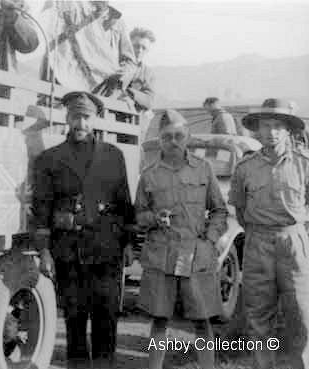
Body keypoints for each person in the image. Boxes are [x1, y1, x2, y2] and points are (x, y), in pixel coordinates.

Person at [31, 91, 134, 367]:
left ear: (95, 120)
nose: (81, 123)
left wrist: (127, 244)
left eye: (86, 117)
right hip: (69, 251)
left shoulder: (113, 155)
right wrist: (44, 252)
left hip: (107, 250)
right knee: (75, 320)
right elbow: (41, 209)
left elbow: (124, 202)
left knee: (106, 318)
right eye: (75, 117)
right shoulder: (49, 159)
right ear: (67, 117)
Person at [135, 109, 228, 369]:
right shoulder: (149, 174)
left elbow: (220, 210)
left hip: (195, 253)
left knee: (202, 319)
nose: (173, 141)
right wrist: (154, 218)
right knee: (160, 318)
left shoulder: (203, 169)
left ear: (187, 137)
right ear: (160, 141)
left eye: (178, 135)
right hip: (162, 253)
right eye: (167, 137)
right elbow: (139, 215)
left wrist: (209, 241)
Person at [229, 98, 309, 369]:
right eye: (266, 126)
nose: (271, 132)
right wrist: (259, 232)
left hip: (294, 242)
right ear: (257, 131)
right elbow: (240, 209)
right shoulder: (245, 167)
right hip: (258, 243)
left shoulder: (304, 164)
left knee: (301, 313)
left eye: (278, 126)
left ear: (288, 130)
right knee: (258, 315)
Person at [126, 27, 156, 113]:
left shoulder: (148, 73)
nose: (139, 50)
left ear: (147, 50)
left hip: (132, 116)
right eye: (136, 46)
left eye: (144, 48)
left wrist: (129, 93)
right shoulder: (115, 64)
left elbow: (149, 101)